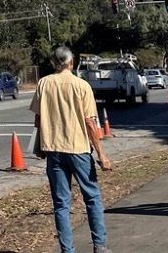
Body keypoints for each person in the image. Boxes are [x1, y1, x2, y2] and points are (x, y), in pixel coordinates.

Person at [30, 46, 113, 253]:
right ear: (71, 62)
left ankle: (68, 250)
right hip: (78, 149)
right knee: (92, 197)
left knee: (61, 204)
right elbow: (91, 122)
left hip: (54, 150)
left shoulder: (43, 84)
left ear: (53, 63)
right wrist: (101, 154)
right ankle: (100, 246)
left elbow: (38, 119)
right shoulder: (81, 86)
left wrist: (39, 145)